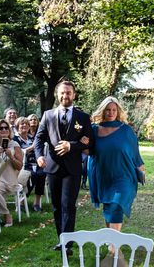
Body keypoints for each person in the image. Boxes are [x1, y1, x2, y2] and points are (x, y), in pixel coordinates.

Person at [34, 80, 93, 254]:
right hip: (53, 167)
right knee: (57, 206)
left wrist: (72, 145)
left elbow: (89, 140)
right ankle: (62, 239)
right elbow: (39, 138)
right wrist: (39, 156)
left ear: (74, 95)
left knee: (68, 205)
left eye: (68, 92)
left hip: (73, 168)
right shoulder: (48, 115)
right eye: (62, 92)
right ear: (57, 95)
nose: (65, 95)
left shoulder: (82, 117)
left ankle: (67, 244)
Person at [87, 96, 144, 234]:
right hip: (102, 175)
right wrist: (83, 143)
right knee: (108, 207)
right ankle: (112, 239)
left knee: (116, 205)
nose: (111, 112)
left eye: (114, 110)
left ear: (118, 111)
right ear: (103, 111)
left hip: (124, 175)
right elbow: (88, 151)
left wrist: (141, 170)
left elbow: (135, 154)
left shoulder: (126, 130)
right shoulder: (94, 130)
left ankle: (113, 248)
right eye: (108, 110)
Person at [0, 119, 23, 227]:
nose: (4, 130)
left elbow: (19, 166)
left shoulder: (14, 144)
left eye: (6, 128)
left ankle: (7, 214)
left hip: (9, 179)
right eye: (1, 128)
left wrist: (11, 156)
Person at [27, 114, 46, 211]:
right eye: (31, 119)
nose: (33, 121)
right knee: (31, 175)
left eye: (35, 119)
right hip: (26, 163)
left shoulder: (40, 134)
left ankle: (37, 202)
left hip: (39, 161)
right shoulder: (24, 134)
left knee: (41, 174)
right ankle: (22, 201)